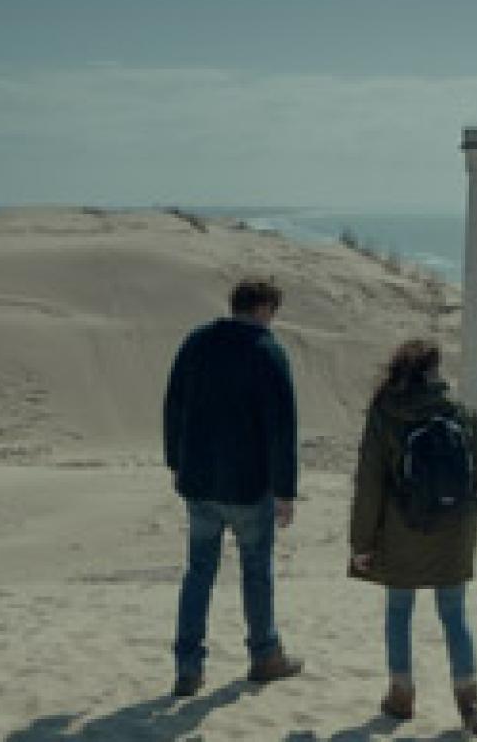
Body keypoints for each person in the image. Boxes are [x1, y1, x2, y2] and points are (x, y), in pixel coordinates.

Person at [349, 339, 477, 737]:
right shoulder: (462, 412)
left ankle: (401, 694)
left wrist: (361, 543)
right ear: (434, 371)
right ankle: (469, 700)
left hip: (403, 529)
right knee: (454, 614)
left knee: (399, 611)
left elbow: (369, 482)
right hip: (455, 529)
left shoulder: (386, 412)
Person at [163, 277, 303, 697]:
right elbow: (282, 427)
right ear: (263, 308)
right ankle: (265, 656)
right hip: (248, 486)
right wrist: (285, 490)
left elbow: (173, 404)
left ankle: (188, 667)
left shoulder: (197, 342)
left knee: (198, 573)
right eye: (272, 311)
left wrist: (176, 461)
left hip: (200, 482)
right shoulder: (267, 350)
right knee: (256, 572)